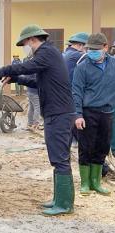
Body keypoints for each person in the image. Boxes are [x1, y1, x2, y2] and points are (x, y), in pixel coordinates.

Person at [0, 24, 75, 216]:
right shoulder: (48, 55)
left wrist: (5, 70)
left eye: (24, 44)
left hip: (59, 113)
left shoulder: (46, 53)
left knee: (60, 158)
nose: (24, 47)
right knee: (57, 157)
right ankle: (59, 199)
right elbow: (38, 82)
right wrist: (16, 79)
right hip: (57, 112)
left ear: (32, 40)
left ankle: (64, 204)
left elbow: (27, 66)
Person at [72, 33, 114, 196]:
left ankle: (96, 182)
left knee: (102, 147)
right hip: (88, 113)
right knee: (86, 147)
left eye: (96, 49)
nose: (92, 52)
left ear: (105, 47)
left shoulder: (113, 64)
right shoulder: (82, 67)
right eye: (90, 49)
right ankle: (85, 183)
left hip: (108, 112)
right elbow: (76, 92)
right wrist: (78, 114)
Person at [22, 55, 40, 131]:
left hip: (29, 90)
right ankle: (36, 124)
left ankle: (30, 123)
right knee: (37, 107)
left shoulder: (29, 67)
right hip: (34, 91)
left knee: (31, 107)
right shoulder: (35, 68)